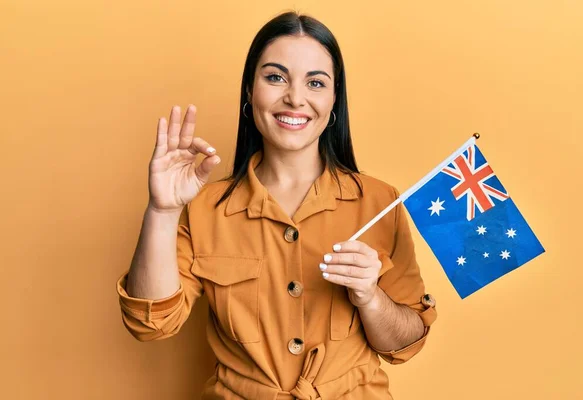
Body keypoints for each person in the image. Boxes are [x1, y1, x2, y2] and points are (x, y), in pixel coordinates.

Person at [116, 11, 437, 400]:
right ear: (250, 92)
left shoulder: (381, 202)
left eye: (315, 83)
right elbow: (151, 324)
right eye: (275, 77)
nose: (295, 98)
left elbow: (405, 343)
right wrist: (162, 212)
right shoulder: (204, 210)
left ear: (334, 100)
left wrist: (370, 296)